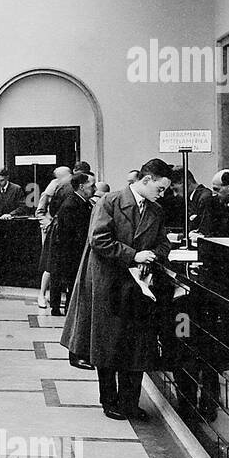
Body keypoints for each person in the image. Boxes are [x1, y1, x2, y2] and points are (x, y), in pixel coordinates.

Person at [61, 159, 173, 421]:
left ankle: (130, 403)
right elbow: (99, 239)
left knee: (138, 346)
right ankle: (109, 401)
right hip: (108, 282)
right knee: (108, 346)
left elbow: (163, 243)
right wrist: (135, 256)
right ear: (146, 180)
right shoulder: (109, 202)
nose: (163, 194)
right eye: (161, 188)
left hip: (138, 287)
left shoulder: (155, 211)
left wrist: (153, 256)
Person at [48, 172, 95, 318]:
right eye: (91, 185)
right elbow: (70, 233)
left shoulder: (82, 203)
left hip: (71, 251)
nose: (94, 189)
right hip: (69, 252)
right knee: (70, 280)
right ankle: (66, 309)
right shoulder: (72, 205)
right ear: (81, 187)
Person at [35, 166, 73, 308]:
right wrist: (50, 224)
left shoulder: (69, 187)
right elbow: (40, 211)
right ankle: (42, 294)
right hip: (52, 230)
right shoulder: (52, 189)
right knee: (50, 265)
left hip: (61, 230)